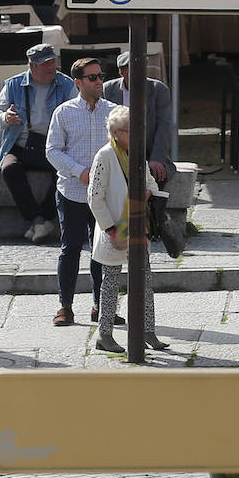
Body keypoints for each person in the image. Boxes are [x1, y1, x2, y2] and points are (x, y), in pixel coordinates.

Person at [86, 105, 170, 353]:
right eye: (131, 130)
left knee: (144, 280)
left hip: (138, 225)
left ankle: (148, 331)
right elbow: (95, 197)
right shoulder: (104, 156)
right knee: (111, 282)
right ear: (116, 132)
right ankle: (104, 335)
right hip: (116, 227)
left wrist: (149, 192)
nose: (136, 134)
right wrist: (110, 227)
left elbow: (151, 183)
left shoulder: (135, 153)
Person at [46, 57, 117, 327]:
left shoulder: (114, 111)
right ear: (78, 82)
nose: (99, 81)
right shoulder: (63, 112)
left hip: (105, 194)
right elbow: (52, 151)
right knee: (71, 248)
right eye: (92, 77)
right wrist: (80, 171)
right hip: (72, 191)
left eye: (101, 75)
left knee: (103, 249)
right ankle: (65, 306)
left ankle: (102, 304)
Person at [0, 42, 76, 243]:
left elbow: (79, 113)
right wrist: (6, 118)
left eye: (53, 62)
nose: (51, 67)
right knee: (9, 169)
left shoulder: (67, 84)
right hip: (21, 145)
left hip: (56, 145)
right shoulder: (13, 84)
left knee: (66, 172)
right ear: (32, 65)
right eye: (45, 64)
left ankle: (43, 219)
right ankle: (37, 220)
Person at [101, 50, 176, 185]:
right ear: (121, 72)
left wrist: (156, 158)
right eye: (133, 70)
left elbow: (164, 126)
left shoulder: (158, 90)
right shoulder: (108, 89)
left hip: (148, 151)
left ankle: (151, 206)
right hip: (118, 151)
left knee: (156, 175)